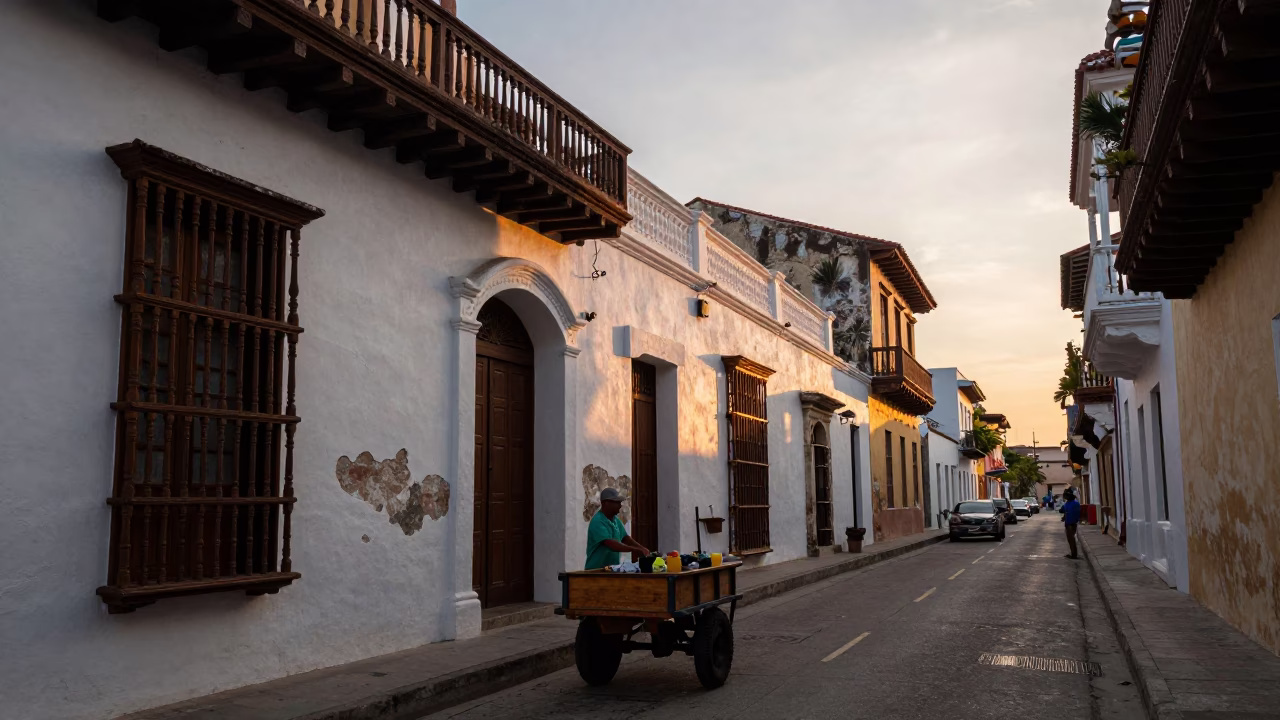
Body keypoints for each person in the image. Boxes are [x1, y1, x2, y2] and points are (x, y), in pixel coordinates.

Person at [585, 488, 650, 570]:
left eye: (620, 502)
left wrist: (641, 548)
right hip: (596, 570)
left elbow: (625, 538)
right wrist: (635, 550)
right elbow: (611, 544)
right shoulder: (598, 521)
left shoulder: (615, 520)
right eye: (616, 502)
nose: (620, 505)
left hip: (610, 569)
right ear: (605, 503)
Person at [1061, 489, 1081, 559]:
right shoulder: (1068, 503)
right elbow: (1065, 512)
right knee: (1070, 539)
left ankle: (1074, 554)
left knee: (1071, 539)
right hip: (1069, 522)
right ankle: (1073, 553)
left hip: (1071, 523)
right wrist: (1064, 517)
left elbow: (1077, 513)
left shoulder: (1074, 503)